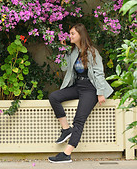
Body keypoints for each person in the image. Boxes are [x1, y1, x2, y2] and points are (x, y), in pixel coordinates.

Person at [48, 23, 113, 163]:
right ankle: (66, 130)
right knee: (54, 97)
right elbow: (65, 67)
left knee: (79, 120)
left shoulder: (92, 52)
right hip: (78, 86)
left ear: (80, 35)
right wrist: (64, 50)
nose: (70, 36)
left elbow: (99, 73)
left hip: (90, 88)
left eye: (72, 34)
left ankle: (67, 154)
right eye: (70, 33)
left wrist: (100, 93)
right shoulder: (73, 52)